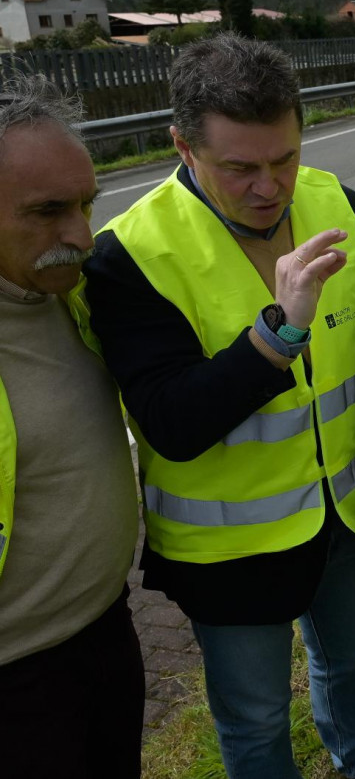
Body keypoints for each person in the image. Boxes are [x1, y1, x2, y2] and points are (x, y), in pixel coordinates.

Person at [83, 35, 355, 779]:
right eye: (240, 167)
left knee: (351, 666)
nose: (272, 186)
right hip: (230, 548)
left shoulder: (337, 201)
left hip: (343, 518)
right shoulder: (129, 254)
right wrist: (276, 333)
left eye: (285, 158)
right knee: (256, 715)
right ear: (182, 147)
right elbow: (172, 421)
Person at [0, 75, 143, 777]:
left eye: (87, 203)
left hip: (104, 630)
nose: (82, 235)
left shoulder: (72, 292)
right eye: (49, 210)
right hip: (17, 673)